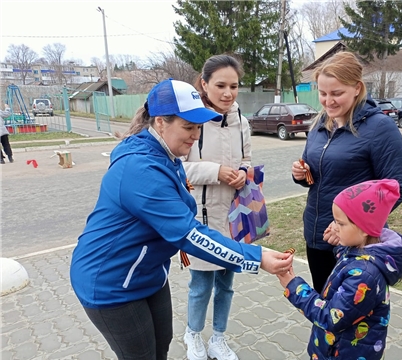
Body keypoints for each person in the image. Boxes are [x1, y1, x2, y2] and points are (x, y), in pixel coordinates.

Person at [70, 79, 294, 360]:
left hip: (148, 273)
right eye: (188, 127)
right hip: (110, 282)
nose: (195, 136)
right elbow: (188, 234)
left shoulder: (167, 156)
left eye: (198, 127)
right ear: (161, 122)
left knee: (160, 347)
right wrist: (257, 257)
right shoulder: (140, 168)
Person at [291, 51, 402, 293]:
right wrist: (302, 175)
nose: (328, 101)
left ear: (357, 88)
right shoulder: (320, 124)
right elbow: (320, 175)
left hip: (354, 243)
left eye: (336, 93)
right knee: (323, 309)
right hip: (317, 234)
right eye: (322, 93)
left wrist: (347, 226)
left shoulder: (380, 128)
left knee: (349, 317)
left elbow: (394, 189)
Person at [277, 179, 402, 360]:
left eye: (340, 223)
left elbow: (331, 317)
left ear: (364, 228)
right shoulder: (358, 250)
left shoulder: (365, 276)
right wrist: (340, 240)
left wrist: (293, 287)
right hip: (335, 347)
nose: (334, 227)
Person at [180, 55, 249, 360]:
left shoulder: (241, 122)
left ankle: (218, 338)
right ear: (204, 84)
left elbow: (247, 160)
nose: (227, 93)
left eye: (233, 86)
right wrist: (217, 171)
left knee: (227, 283)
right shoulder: (192, 122)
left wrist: (244, 173)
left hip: (232, 217)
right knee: (200, 284)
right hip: (200, 218)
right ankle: (192, 335)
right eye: (220, 85)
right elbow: (179, 169)